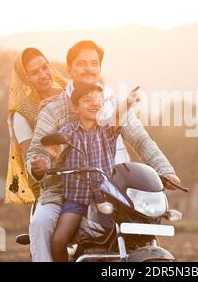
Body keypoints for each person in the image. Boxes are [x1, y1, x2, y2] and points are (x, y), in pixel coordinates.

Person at [26, 40, 180, 261]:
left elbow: (141, 140)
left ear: (99, 67)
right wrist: (41, 165)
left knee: (141, 225)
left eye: (94, 63)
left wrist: (164, 170)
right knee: (41, 224)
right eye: (81, 63)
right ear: (69, 69)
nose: (89, 68)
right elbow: (38, 151)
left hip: (111, 188)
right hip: (64, 190)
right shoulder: (54, 109)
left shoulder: (112, 105)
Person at [49, 82, 140, 261]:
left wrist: (128, 102)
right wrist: (52, 157)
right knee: (58, 241)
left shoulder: (107, 130)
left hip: (105, 199)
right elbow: (56, 151)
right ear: (75, 108)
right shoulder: (68, 131)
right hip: (77, 199)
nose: (94, 103)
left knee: (126, 233)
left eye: (98, 99)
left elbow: (117, 117)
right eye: (87, 100)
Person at [5, 47, 67, 205]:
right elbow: (31, 158)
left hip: (85, 177)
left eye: (45, 67)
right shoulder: (22, 112)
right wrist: (42, 118)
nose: (43, 75)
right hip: (52, 185)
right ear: (25, 78)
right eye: (34, 73)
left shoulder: (68, 95)